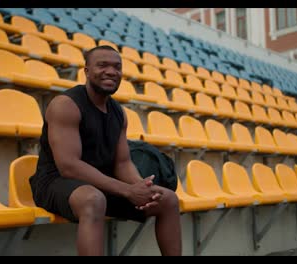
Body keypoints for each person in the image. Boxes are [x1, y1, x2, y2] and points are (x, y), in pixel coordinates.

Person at [29, 45, 182, 256]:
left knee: (168, 200)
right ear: (87, 71)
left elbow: (122, 163)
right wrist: (127, 191)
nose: (111, 71)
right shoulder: (66, 105)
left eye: (117, 67)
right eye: (102, 65)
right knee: (93, 199)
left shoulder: (118, 112)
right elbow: (69, 167)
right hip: (56, 182)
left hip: (102, 183)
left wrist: (140, 187)